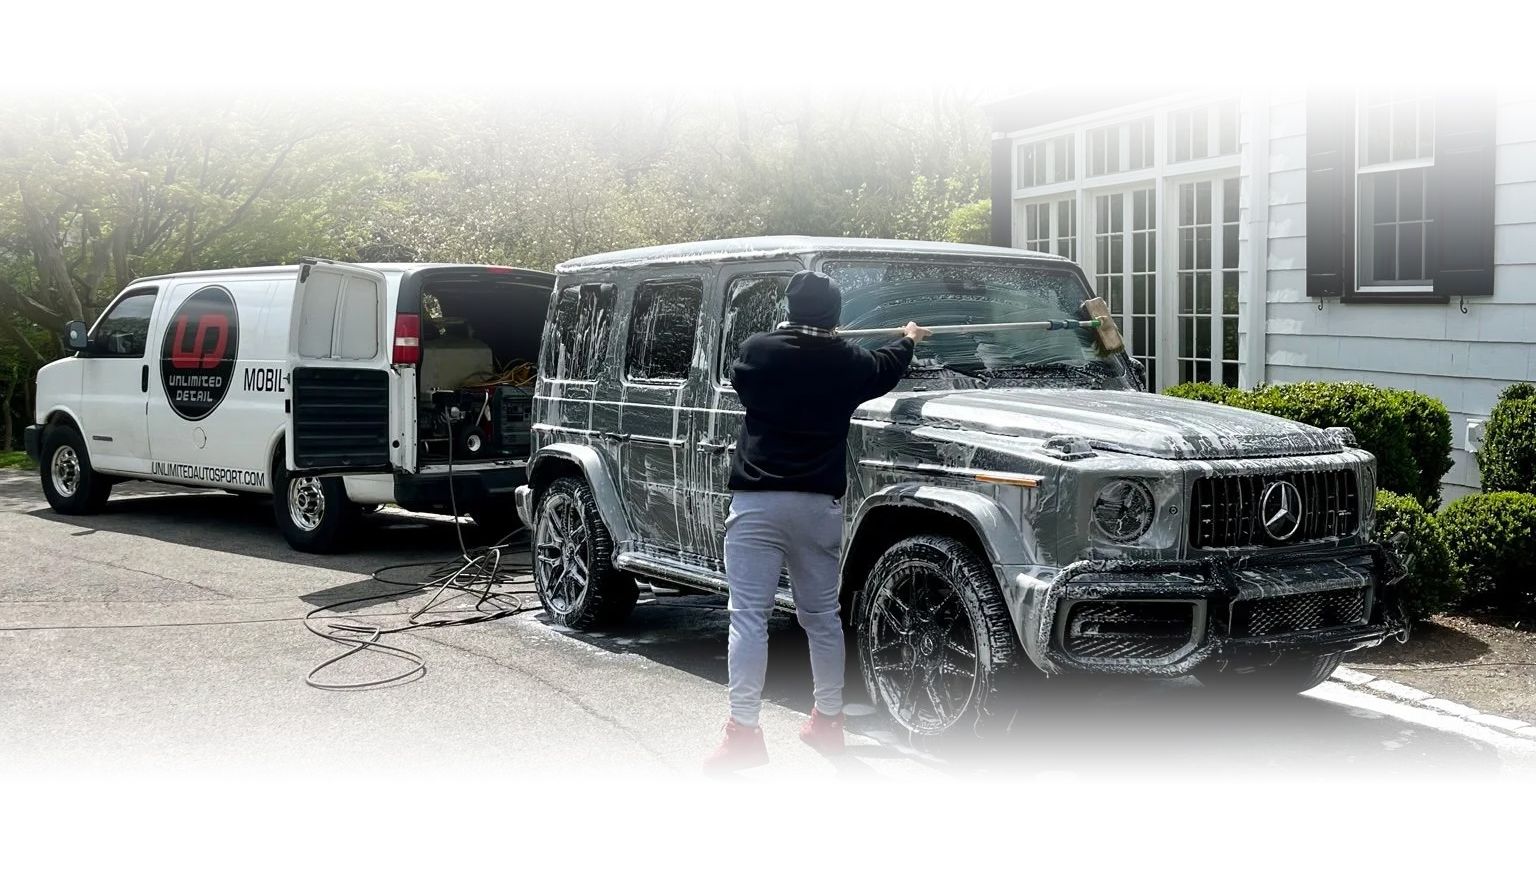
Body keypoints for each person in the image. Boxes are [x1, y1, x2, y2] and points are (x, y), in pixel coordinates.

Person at [705, 269, 930, 772]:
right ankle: (828, 723)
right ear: (834, 315)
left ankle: (743, 733)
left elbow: (743, 380)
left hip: (757, 504)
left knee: (748, 619)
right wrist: (908, 337)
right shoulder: (848, 361)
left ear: (789, 308)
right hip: (818, 506)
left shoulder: (758, 350)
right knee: (821, 618)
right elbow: (887, 366)